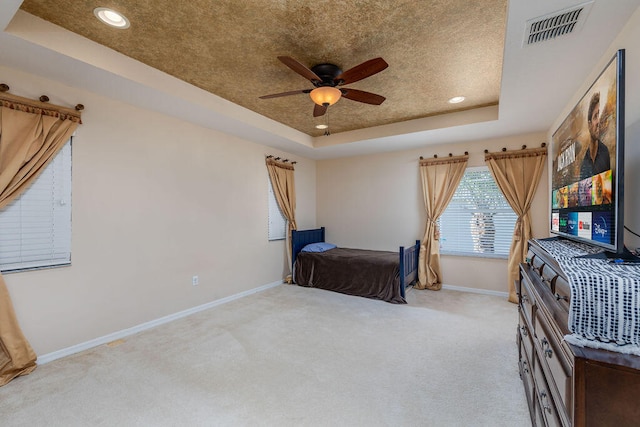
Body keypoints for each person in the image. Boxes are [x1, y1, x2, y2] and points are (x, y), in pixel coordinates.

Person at [580, 92, 610, 179]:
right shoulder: (584, 163)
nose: (598, 121)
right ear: (589, 125)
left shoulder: (605, 152)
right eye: (595, 116)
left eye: (599, 116)